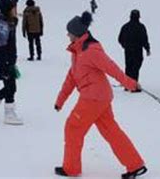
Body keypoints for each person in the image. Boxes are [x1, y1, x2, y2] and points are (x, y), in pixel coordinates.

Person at [54, 11, 147, 179]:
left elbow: (111, 68)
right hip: (99, 98)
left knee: (73, 128)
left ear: (76, 34)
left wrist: (131, 84)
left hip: (93, 98)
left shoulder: (91, 50)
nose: (67, 35)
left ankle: (71, 168)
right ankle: (135, 165)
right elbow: (71, 78)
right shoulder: (78, 52)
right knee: (111, 131)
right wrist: (60, 101)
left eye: (69, 32)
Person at [118, 9, 150, 92]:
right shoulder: (141, 27)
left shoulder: (125, 26)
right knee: (136, 67)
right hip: (137, 50)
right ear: (139, 17)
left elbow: (120, 39)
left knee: (129, 66)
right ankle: (134, 86)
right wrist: (147, 48)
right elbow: (144, 39)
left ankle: (127, 85)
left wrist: (125, 46)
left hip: (128, 50)